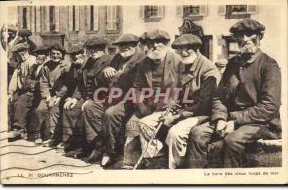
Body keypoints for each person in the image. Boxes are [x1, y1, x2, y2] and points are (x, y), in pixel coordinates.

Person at [186, 18, 281, 168]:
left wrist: (234, 121)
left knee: (232, 141)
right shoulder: (232, 63)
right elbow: (219, 97)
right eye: (240, 35)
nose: (244, 39)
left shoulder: (269, 65)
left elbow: (269, 106)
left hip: (261, 123)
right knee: (197, 134)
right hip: (229, 119)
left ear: (259, 37)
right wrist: (220, 119)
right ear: (235, 39)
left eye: (249, 34)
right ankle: (197, 180)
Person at [161, 34, 221, 169]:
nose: (183, 52)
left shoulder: (208, 70)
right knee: (149, 123)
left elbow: (204, 104)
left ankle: (177, 168)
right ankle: (156, 161)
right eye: (180, 49)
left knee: (175, 133)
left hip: (202, 115)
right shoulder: (182, 65)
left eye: (188, 49)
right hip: (184, 111)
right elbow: (175, 91)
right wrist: (169, 108)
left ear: (197, 49)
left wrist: (178, 116)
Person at [132, 29, 183, 168]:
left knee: (144, 123)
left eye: (159, 42)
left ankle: (155, 159)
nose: (155, 46)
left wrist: (171, 107)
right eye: (151, 43)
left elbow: (183, 89)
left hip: (170, 107)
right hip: (147, 108)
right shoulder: (143, 64)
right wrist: (142, 106)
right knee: (130, 126)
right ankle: (145, 160)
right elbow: (136, 88)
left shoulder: (178, 62)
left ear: (167, 44)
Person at [93, 34, 146, 166]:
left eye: (129, 45)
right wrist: (107, 69)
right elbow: (104, 77)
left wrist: (115, 74)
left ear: (136, 45)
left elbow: (132, 83)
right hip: (114, 95)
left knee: (111, 114)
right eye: (121, 45)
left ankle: (111, 152)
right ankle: (95, 146)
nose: (124, 48)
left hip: (132, 99)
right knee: (90, 107)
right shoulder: (117, 58)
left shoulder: (142, 60)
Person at [62, 37, 112, 158]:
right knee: (70, 109)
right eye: (90, 49)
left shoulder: (110, 61)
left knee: (88, 108)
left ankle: (95, 146)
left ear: (104, 49)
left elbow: (112, 87)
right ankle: (74, 145)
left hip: (104, 99)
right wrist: (75, 98)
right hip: (87, 97)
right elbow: (80, 84)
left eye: (97, 49)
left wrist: (92, 99)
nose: (93, 52)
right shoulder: (87, 63)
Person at [34, 43, 71, 148]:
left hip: (62, 95)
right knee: (40, 109)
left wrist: (58, 96)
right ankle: (39, 135)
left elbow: (67, 84)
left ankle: (53, 137)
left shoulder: (66, 66)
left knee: (54, 109)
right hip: (50, 94)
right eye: (53, 53)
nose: (55, 56)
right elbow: (43, 82)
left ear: (62, 54)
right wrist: (47, 96)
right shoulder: (46, 66)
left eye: (58, 54)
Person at [8, 43, 36, 140]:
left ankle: (18, 128)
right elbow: (15, 79)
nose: (21, 53)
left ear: (26, 51)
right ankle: (8, 127)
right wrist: (10, 92)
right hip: (22, 90)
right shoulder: (20, 63)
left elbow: (33, 78)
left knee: (20, 101)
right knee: (10, 101)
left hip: (31, 90)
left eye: (22, 51)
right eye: (18, 52)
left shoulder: (32, 60)